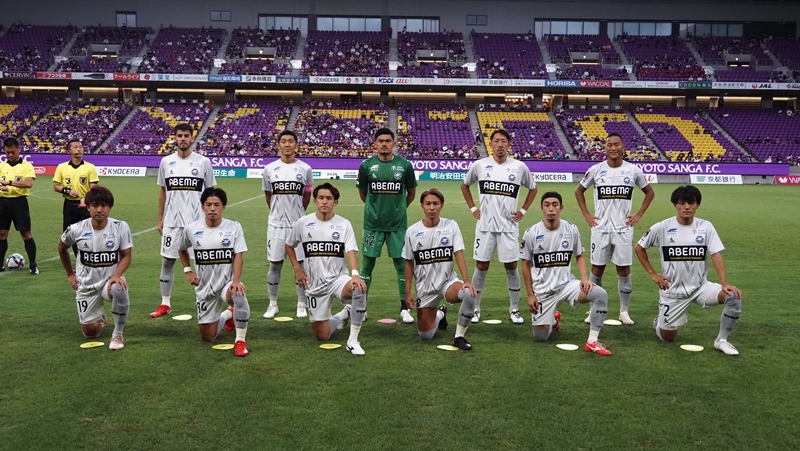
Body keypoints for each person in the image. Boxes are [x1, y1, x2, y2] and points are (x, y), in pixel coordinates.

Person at [634, 185, 742, 356]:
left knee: (733, 296)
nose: (686, 207)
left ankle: (721, 340)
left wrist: (724, 283)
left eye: (691, 203)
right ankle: (660, 322)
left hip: (700, 287)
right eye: (682, 203)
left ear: (697, 205)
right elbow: (639, 247)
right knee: (668, 339)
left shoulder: (706, 227)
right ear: (675, 205)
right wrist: (653, 274)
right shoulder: (662, 227)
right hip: (673, 291)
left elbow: (715, 254)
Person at [575, 132, 654, 325]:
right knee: (597, 269)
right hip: (600, 229)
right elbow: (579, 191)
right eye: (609, 144)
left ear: (623, 147)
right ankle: (594, 309)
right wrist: (586, 214)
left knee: (624, 269)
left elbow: (649, 193)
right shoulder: (596, 170)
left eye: (616, 144)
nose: (613, 148)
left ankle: (624, 312)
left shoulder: (633, 171)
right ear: (605, 148)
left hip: (623, 229)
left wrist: (639, 214)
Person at [520, 192, 612, 355]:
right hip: (543, 291)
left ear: (561, 207)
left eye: (555, 205)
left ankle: (592, 341)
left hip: (567, 285)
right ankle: (553, 319)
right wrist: (530, 295)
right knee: (540, 337)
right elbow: (525, 264)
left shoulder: (571, 229)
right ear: (541, 208)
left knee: (600, 294)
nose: (551, 209)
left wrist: (584, 279)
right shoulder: (531, 233)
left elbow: (580, 255)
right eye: (547, 205)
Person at [461, 129, 537, 324]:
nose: (500, 144)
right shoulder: (480, 165)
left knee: (511, 266)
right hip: (485, 226)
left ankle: (514, 309)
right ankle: (475, 309)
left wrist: (523, 210)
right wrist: (473, 208)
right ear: (491, 144)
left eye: (504, 141)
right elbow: (465, 185)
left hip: (509, 227)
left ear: (509, 144)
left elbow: (533, 188)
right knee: (481, 266)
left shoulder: (519, 167)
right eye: (496, 141)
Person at [285, 183, 368, 356]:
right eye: (321, 198)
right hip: (314, 284)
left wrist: (355, 275)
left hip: (338, 279)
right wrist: (297, 269)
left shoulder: (343, 224)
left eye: (329, 198)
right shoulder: (303, 223)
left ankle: (353, 341)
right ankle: (345, 312)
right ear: (314, 200)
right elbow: (289, 245)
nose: (324, 201)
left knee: (358, 288)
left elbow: (350, 250)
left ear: (335, 202)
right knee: (322, 336)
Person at [150, 123, 216, 318]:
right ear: (175, 138)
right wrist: (160, 218)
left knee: (202, 263)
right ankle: (165, 303)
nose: (183, 139)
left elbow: (211, 193)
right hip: (172, 222)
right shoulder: (166, 162)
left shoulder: (203, 162)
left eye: (186, 135)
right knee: (167, 261)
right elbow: (163, 191)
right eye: (179, 135)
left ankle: (205, 301)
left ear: (192, 138)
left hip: (197, 223)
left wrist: (210, 219)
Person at [179, 187, 251, 357]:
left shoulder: (234, 227)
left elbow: (238, 255)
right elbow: (182, 249)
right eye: (208, 204)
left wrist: (236, 280)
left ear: (223, 207)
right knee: (208, 337)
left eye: (216, 205)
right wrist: (188, 271)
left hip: (227, 283)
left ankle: (240, 341)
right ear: (202, 207)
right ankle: (228, 314)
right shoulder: (191, 229)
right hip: (204, 286)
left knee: (239, 294)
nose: (212, 209)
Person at [57, 186, 131, 350]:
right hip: (86, 285)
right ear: (88, 207)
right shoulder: (76, 229)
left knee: (120, 288)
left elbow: (126, 256)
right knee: (91, 333)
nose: (99, 210)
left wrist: (117, 275)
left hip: (108, 281)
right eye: (95, 205)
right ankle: (100, 317)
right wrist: (70, 273)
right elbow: (62, 248)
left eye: (104, 205)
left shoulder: (121, 227)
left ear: (110, 207)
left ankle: (118, 333)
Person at [403, 189, 477, 350]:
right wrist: (407, 292)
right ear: (422, 206)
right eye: (428, 204)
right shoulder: (412, 232)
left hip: (447, 283)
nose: (432, 207)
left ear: (441, 205)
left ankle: (459, 336)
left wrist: (466, 281)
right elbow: (408, 263)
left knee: (469, 293)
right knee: (425, 335)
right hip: (425, 288)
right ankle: (441, 313)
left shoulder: (451, 226)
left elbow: (458, 254)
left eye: (435, 204)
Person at [356, 128, 417, 324]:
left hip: (398, 226)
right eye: (380, 141)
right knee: (367, 266)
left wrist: (399, 209)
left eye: (388, 141)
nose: (384, 144)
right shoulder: (366, 166)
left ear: (394, 143)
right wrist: (375, 210)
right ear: (375, 144)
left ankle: (404, 308)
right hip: (372, 225)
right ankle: (361, 308)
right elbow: (363, 194)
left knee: (402, 265)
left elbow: (411, 193)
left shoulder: (405, 165)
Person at [262, 130, 314, 319]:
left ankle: (301, 303)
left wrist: (298, 215)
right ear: (278, 144)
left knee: (301, 264)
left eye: (290, 141)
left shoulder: (305, 169)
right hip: (275, 224)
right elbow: (268, 195)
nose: (287, 144)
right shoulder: (269, 169)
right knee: (275, 264)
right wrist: (277, 213)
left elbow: (307, 194)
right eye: (283, 141)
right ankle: (273, 304)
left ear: (296, 145)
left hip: (297, 225)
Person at [53, 139, 99, 255]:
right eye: (75, 147)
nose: (79, 149)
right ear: (69, 151)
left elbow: (93, 187)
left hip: (85, 205)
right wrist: (68, 191)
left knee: (87, 232)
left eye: (81, 147)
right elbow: (56, 186)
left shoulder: (90, 167)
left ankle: (88, 256)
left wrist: (85, 198)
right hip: (69, 205)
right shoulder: (62, 167)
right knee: (70, 233)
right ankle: (79, 258)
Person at [0, 137, 38, 274]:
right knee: (1, 234)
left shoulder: (26, 166)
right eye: (7, 152)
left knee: (26, 234)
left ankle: (33, 265)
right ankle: (0, 265)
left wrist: (9, 183)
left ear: (18, 149)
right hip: (2, 202)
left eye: (12, 152)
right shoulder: (2, 166)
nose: (10, 155)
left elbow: (28, 183)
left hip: (19, 202)